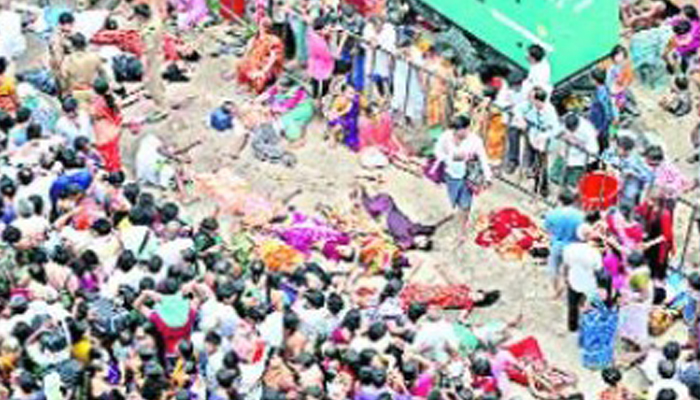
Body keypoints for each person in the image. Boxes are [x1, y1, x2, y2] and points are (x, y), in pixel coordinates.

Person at [433, 115, 492, 241]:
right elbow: (437, 151)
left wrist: (488, 177)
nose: (455, 133)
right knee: (454, 200)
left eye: (458, 130)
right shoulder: (446, 136)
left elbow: (483, 159)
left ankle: (462, 231)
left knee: (465, 204)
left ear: (466, 129)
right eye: (454, 130)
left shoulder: (475, 141)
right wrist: (451, 157)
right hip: (451, 174)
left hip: (467, 176)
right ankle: (456, 214)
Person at [512, 86, 559, 196]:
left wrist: (543, 136)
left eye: (532, 98)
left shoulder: (549, 111)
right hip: (532, 135)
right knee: (530, 160)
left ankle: (542, 188)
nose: (530, 100)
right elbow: (517, 109)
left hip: (544, 141)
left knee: (542, 165)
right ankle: (532, 180)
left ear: (538, 100)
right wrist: (520, 118)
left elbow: (555, 129)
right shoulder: (530, 105)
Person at [563, 224, 604, 332]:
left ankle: (572, 326)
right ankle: (588, 326)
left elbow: (566, 265)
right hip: (589, 283)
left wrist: (566, 278)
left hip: (573, 280)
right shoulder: (594, 253)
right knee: (589, 306)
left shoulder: (569, 248)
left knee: (572, 305)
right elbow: (598, 270)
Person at [545, 190, 585, 298]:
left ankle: (555, 290)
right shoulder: (581, 216)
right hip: (573, 246)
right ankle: (567, 287)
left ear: (560, 200)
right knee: (569, 270)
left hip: (557, 245)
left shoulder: (552, 214)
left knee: (554, 269)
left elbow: (548, 230)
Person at [134, 3, 168, 120]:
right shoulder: (156, 19)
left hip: (152, 57)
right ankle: (161, 90)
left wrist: (146, 66)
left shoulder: (148, 31)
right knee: (157, 78)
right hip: (159, 52)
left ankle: (162, 108)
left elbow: (149, 50)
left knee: (151, 83)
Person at [237, 18, 284, 95]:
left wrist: (263, 71)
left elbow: (273, 58)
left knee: (259, 79)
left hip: (267, 66)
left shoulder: (274, 40)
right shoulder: (256, 38)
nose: (263, 29)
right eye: (263, 26)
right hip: (256, 62)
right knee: (241, 65)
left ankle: (257, 89)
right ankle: (246, 85)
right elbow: (248, 52)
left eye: (265, 26)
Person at [602, 135, 653, 207]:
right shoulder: (611, 152)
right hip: (607, 185)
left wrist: (632, 173)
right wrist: (608, 166)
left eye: (622, 149)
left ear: (628, 151)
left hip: (625, 192)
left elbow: (648, 176)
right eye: (619, 147)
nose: (619, 150)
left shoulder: (636, 161)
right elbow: (603, 159)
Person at [60, 33, 107, 107]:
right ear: (85, 44)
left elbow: (64, 78)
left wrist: (66, 92)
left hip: (78, 93)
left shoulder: (67, 61)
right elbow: (103, 73)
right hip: (93, 90)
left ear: (72, 46)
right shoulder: (94, 56)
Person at [556, 113, 600, 189]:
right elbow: (557, 132)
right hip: (567, 153)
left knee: (572, 183)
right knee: (555, 176)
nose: (571, 132)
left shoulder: (588, 130)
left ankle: (568, 195)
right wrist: (563, 137)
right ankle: (563, 188)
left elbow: (593, 151)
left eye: (573, 130)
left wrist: (578, 144)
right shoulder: (566, 121)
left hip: (580, 159)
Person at [90, 78, 123, 173]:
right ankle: (116, 169)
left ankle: (110, 169)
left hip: (103, 129)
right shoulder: (113, 98)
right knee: (114, 152)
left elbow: (94, 115)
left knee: (106, 153)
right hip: (113, 127)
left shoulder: (96, 104)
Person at [590, 67, 616, 153]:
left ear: (595, 80)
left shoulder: (602, 93)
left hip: (601, 127)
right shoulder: (600, 89)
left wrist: (600, 130)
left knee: (602, 147)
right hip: (598, 124)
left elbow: (607, 114)